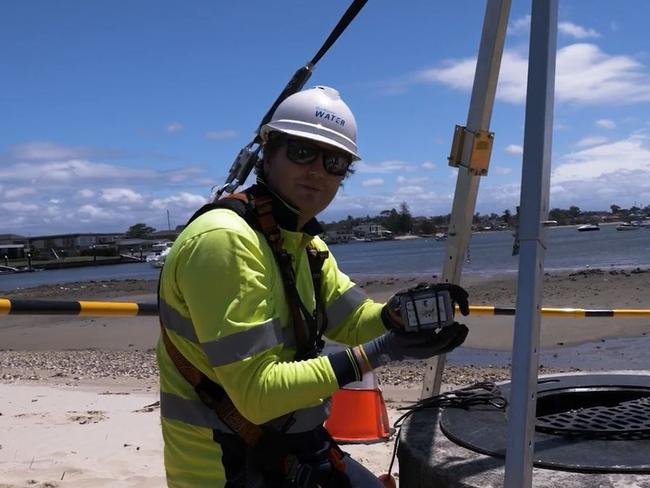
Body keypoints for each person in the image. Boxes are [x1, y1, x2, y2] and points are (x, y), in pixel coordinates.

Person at [156, 85, 470, 487]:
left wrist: (396, 316)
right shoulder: (225, 241)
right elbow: (257, 394)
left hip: (291, 446)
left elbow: (355, 318)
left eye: (335, 161)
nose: (317, 170)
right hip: (224, 463)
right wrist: (383, 350)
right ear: (267, 153)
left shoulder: (305, 244)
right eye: (302, 151)